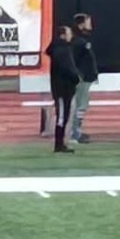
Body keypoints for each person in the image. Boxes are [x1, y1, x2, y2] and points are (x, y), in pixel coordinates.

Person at [46, 23, 78, 153]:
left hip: (65, 88)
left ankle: (61, 144)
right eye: (69, 33)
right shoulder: (61, 50)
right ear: (63, 35)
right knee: (61, 116)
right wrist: (76, 77)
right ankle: (58, 144)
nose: (71, 36)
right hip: (62, 89)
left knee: (64, 116)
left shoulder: (63, 49)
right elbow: (66, 68)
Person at [70, 14, 99, 144]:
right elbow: (75, 61)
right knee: (80, 106)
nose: (90, 24)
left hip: (86, 77)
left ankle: (77, 131)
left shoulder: (82, 40)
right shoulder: (78, 41)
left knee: (82, 105)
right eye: (88, 22)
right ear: (81, 25)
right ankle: (75, 133)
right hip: (82, 78)